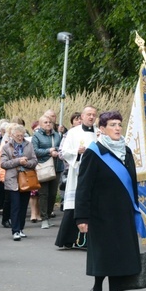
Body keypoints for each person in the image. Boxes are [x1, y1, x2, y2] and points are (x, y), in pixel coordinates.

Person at [75, 111, 144, 291]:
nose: (117, 128)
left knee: (120, 258)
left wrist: (136, 210)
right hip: (101, 215)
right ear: (102, 129)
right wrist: (82, 217)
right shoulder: (94, 152)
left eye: (119, 125)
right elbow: (84, 186)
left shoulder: (127, 152)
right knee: (103, 257)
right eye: (112, 124)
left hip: (123, 214)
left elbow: (133, 184)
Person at [56, 106, 98, 249]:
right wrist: (77, 152)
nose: (91, 117)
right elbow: (62, 152)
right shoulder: (73, 132)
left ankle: (89, 240)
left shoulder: (99, 132)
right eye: (88, 114)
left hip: (95, 174)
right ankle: (68, 239)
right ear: (82, 116)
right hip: (77, 172)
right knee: (75, 205)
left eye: (94, 115)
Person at [0, 124, 37, 241]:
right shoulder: (7, 147)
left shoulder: (29, 145)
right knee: (15, 206)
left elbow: (35, 160)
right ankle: (15, 230)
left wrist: (27, 163)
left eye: (22, 135)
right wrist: (18, 161)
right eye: (17, 136)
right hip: (12, 180)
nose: (20, 138)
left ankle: (21, 229)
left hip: (26, 179)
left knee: (23, 206)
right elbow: (3, 164)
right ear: (12, 135)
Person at [32, 114, 63, 229]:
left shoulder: (57, 135)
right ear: (40, 124)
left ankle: (49, 215)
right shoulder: (36, 136)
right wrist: (48, 151)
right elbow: (34, 151)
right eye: (45, 122)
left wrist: (59, 153)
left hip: (57, 166)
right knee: (43, 193)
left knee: (53, 194)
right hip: (43, 167)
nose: (48, 124)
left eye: (50, 122)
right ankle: (44, 218)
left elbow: (61, 147)